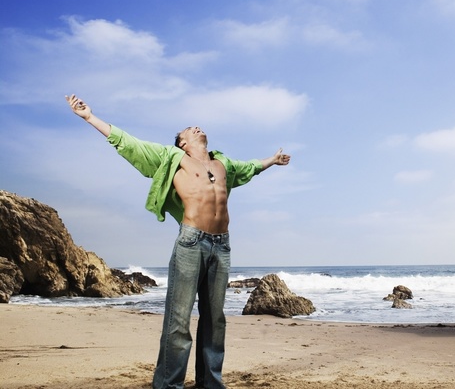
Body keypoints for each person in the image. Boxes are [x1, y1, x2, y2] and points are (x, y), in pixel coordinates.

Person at [65, 94, 291, 389]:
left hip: (222, 246)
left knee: (215, 319)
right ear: (182, 142)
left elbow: (250, 167)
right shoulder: (172, 159)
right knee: (178, 319)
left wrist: (272, 161)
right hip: (191, 242)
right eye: (189, 129)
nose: (196, 127)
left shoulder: (223, 164)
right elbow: (129, 144)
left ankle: (210, 382)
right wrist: (89, 117)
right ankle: (169, 384)